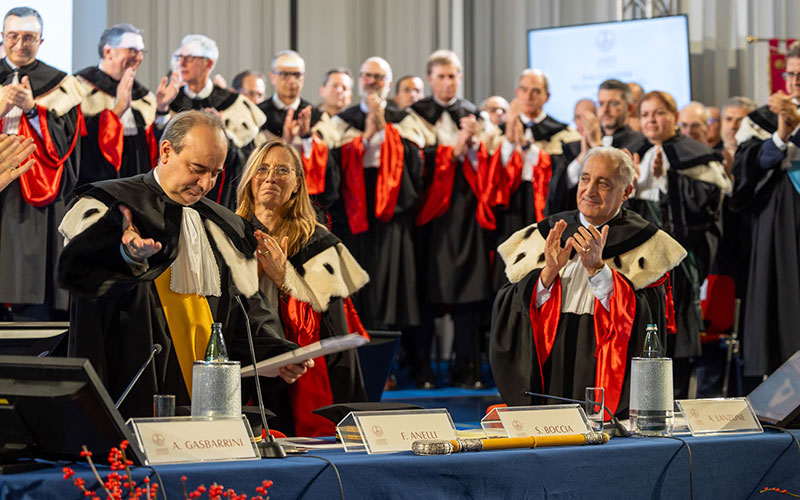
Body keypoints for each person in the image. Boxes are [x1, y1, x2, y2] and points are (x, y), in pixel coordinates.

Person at [58, 110, 309, 419]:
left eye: (215, 173)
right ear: (166, 151)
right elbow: (83, 271)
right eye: (197, 169)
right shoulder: (109, 203)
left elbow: (244, 305)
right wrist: (122, 253)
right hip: (136, 379)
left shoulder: (223, 224)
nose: (205, 183)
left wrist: (277, 353)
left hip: (209, 397)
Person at [490, 147, 685, 415]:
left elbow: (648, 319)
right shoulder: (547, 232)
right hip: (551, 351)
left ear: (627, 192)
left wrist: (598, 270)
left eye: (604, 183)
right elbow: (508, 306)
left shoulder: (648, 243)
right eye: (585, 179)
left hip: (603, 357)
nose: (590, 190)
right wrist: (548, 272)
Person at [235, 139, 369, 437]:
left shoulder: (317, 243)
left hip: (300, 377)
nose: (271, 177)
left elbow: (330, 328)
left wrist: (285, 279)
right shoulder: (229, 234)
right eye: (262, 169)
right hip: (244, 366)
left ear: (297, 183)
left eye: (283, 170)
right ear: (249, 179)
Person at [409, 50, 501, 388]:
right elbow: (410, 165)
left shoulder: (475, 116)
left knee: (469, 292)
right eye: (441, 76)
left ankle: (468, 369)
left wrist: (475, 145)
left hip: (467, 216)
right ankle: (424, 369)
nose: (448, 82)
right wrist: (454, 150)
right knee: (427, 292)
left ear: (460, 78)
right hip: (430, 216)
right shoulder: (413, 117)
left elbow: (494, 167)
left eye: (453, 76)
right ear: (430, 79)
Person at [629, 91, 731, 394]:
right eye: (645, 114)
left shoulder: (694, 153)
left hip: (679, 268)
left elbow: (709, 205)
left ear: (674, 117)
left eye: (658, 113)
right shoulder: (635, 152)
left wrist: (667, 182)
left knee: (674, 343)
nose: (651, 120)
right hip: (641, 267)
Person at [314, 56, 424, 335]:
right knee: (356, 280)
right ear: (360, 80)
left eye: (379, 77)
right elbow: (331, 165)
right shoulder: (341, 121)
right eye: (368, 76)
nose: (373, 82)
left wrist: (387, 132)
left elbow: (418, 164)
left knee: (389, 283)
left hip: (391, 213)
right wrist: (364, 140)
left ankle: (388, 356)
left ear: (389, 83)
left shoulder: (404, 120)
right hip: (353, 211)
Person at [0, 6, 86, 321]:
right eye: (13, 36)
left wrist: (34, 110)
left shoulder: (60, 84)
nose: (20, 44)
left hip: (33, 185)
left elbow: (67, 143)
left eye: (29, 38)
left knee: (27, 271)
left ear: (41, 40)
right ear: (3, 37)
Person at [730, 41, 800, 378]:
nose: (795, 81)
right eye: (790, 74)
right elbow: (744, 170)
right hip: (776, 221)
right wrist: (781, 136)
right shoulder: (761, 119)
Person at [156, 34, 266, 209]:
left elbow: (245, 161)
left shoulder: (234, 104)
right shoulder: (170, 100)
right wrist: (161, 109)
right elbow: (156, 152)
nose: (182, 63)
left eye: (190, 58)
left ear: (209, 64)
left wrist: (223, 134)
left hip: (220, 200)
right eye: (180, 57)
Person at [75, 23, 161, 186]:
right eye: (132, 50)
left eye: (141, 52)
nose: (138, 57)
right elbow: (77, 139)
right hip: (97, 180)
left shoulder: (144, 96)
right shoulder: (80, 87)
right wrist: (118, 110)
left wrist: (162, 107)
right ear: (108, 52)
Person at [559, 80, 648, 211]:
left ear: (629, 108)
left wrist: (597, 146)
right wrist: (582, 156)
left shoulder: (641, 144)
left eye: (613, 104)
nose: (605, 110)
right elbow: (563, 189)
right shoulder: (577, 145)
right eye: (601, 104)